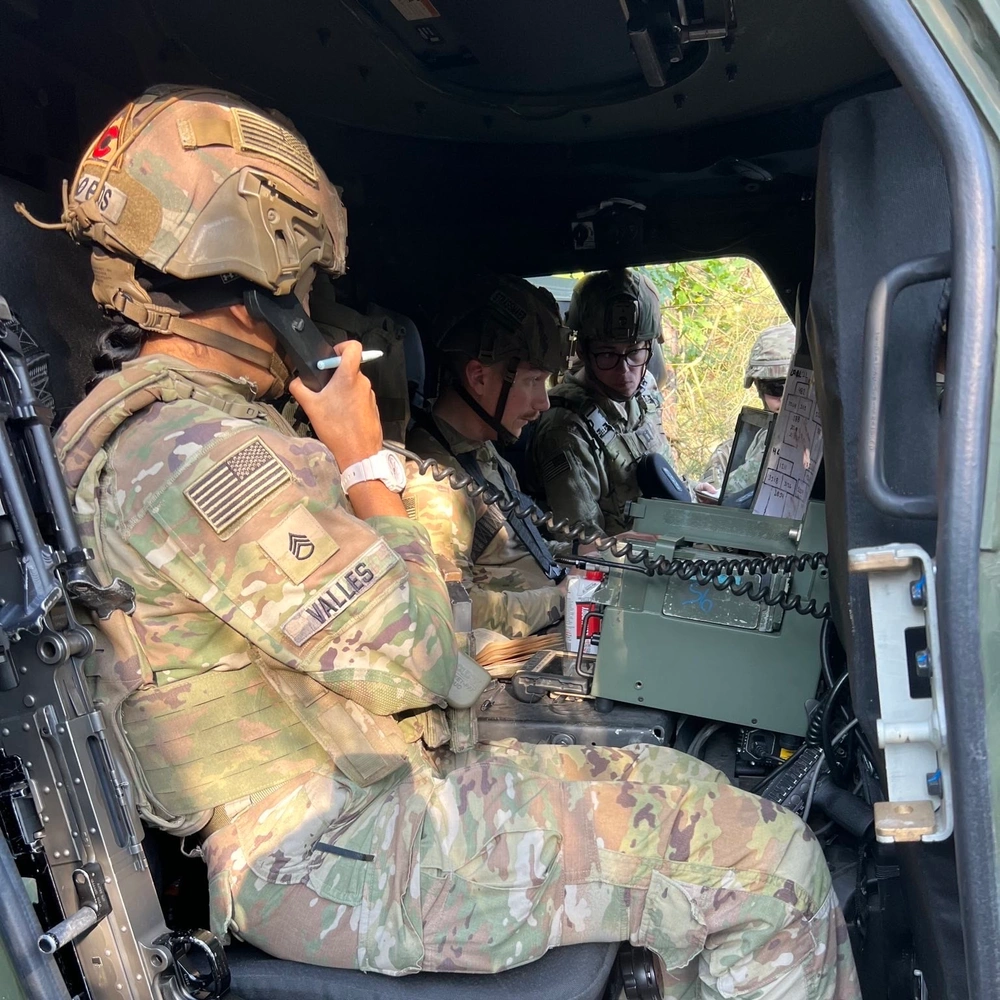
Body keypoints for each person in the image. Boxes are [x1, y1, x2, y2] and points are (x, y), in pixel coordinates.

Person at [44, 87, 859, 998]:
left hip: (350, 802)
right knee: (771, 867)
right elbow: (422, 659)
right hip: (316, 851)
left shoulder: (167, 434)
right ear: (256, 290)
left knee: (677, 783)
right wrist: (361, 461)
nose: (317, 311)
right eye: (306, 289)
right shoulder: (195, 457)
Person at [404, 275, 570, 638]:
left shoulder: (480, 450)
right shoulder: (435, 481)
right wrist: (561, 600)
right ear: (478, 377)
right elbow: (450, 609)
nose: (543, 403)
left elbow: (510, 545)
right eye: (532, 381)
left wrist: (584, 553)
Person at [528, 269, 682, 535]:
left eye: (635, 352)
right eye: (607, 354)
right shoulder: (564, 429)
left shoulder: (645, 393)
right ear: (583, 351)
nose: (625, 371)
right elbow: (585, 547)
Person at [698, 322, 796, 501]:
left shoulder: (840, 450)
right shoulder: (730, 455)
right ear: (760, 388)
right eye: (777, 388)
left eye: (799, 389)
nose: (789, 400)